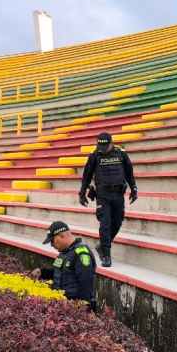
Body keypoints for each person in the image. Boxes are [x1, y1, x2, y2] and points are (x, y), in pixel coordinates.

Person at [79, 132, 137, 267]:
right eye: (100, 146)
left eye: (105, 146)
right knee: (105, 224)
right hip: (102, 195)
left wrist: (134, 188)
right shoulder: (95, 155)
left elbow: (129, 173)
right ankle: (106, 254)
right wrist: (82, 193)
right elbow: (86, 175)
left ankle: (102, 245)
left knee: (117, 222)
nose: (102, 149)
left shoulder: (121, 154)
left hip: (118, 194)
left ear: (111, 143)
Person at [33, 221, 96, 309]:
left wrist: (83, 306)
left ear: (61, 236)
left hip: (74, 307)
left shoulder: (81, 253)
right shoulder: (64, 252)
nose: (51, 245)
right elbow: (60, 272)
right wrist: (42, 272)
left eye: (52, 241)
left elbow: (86, 282)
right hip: (62, 304)